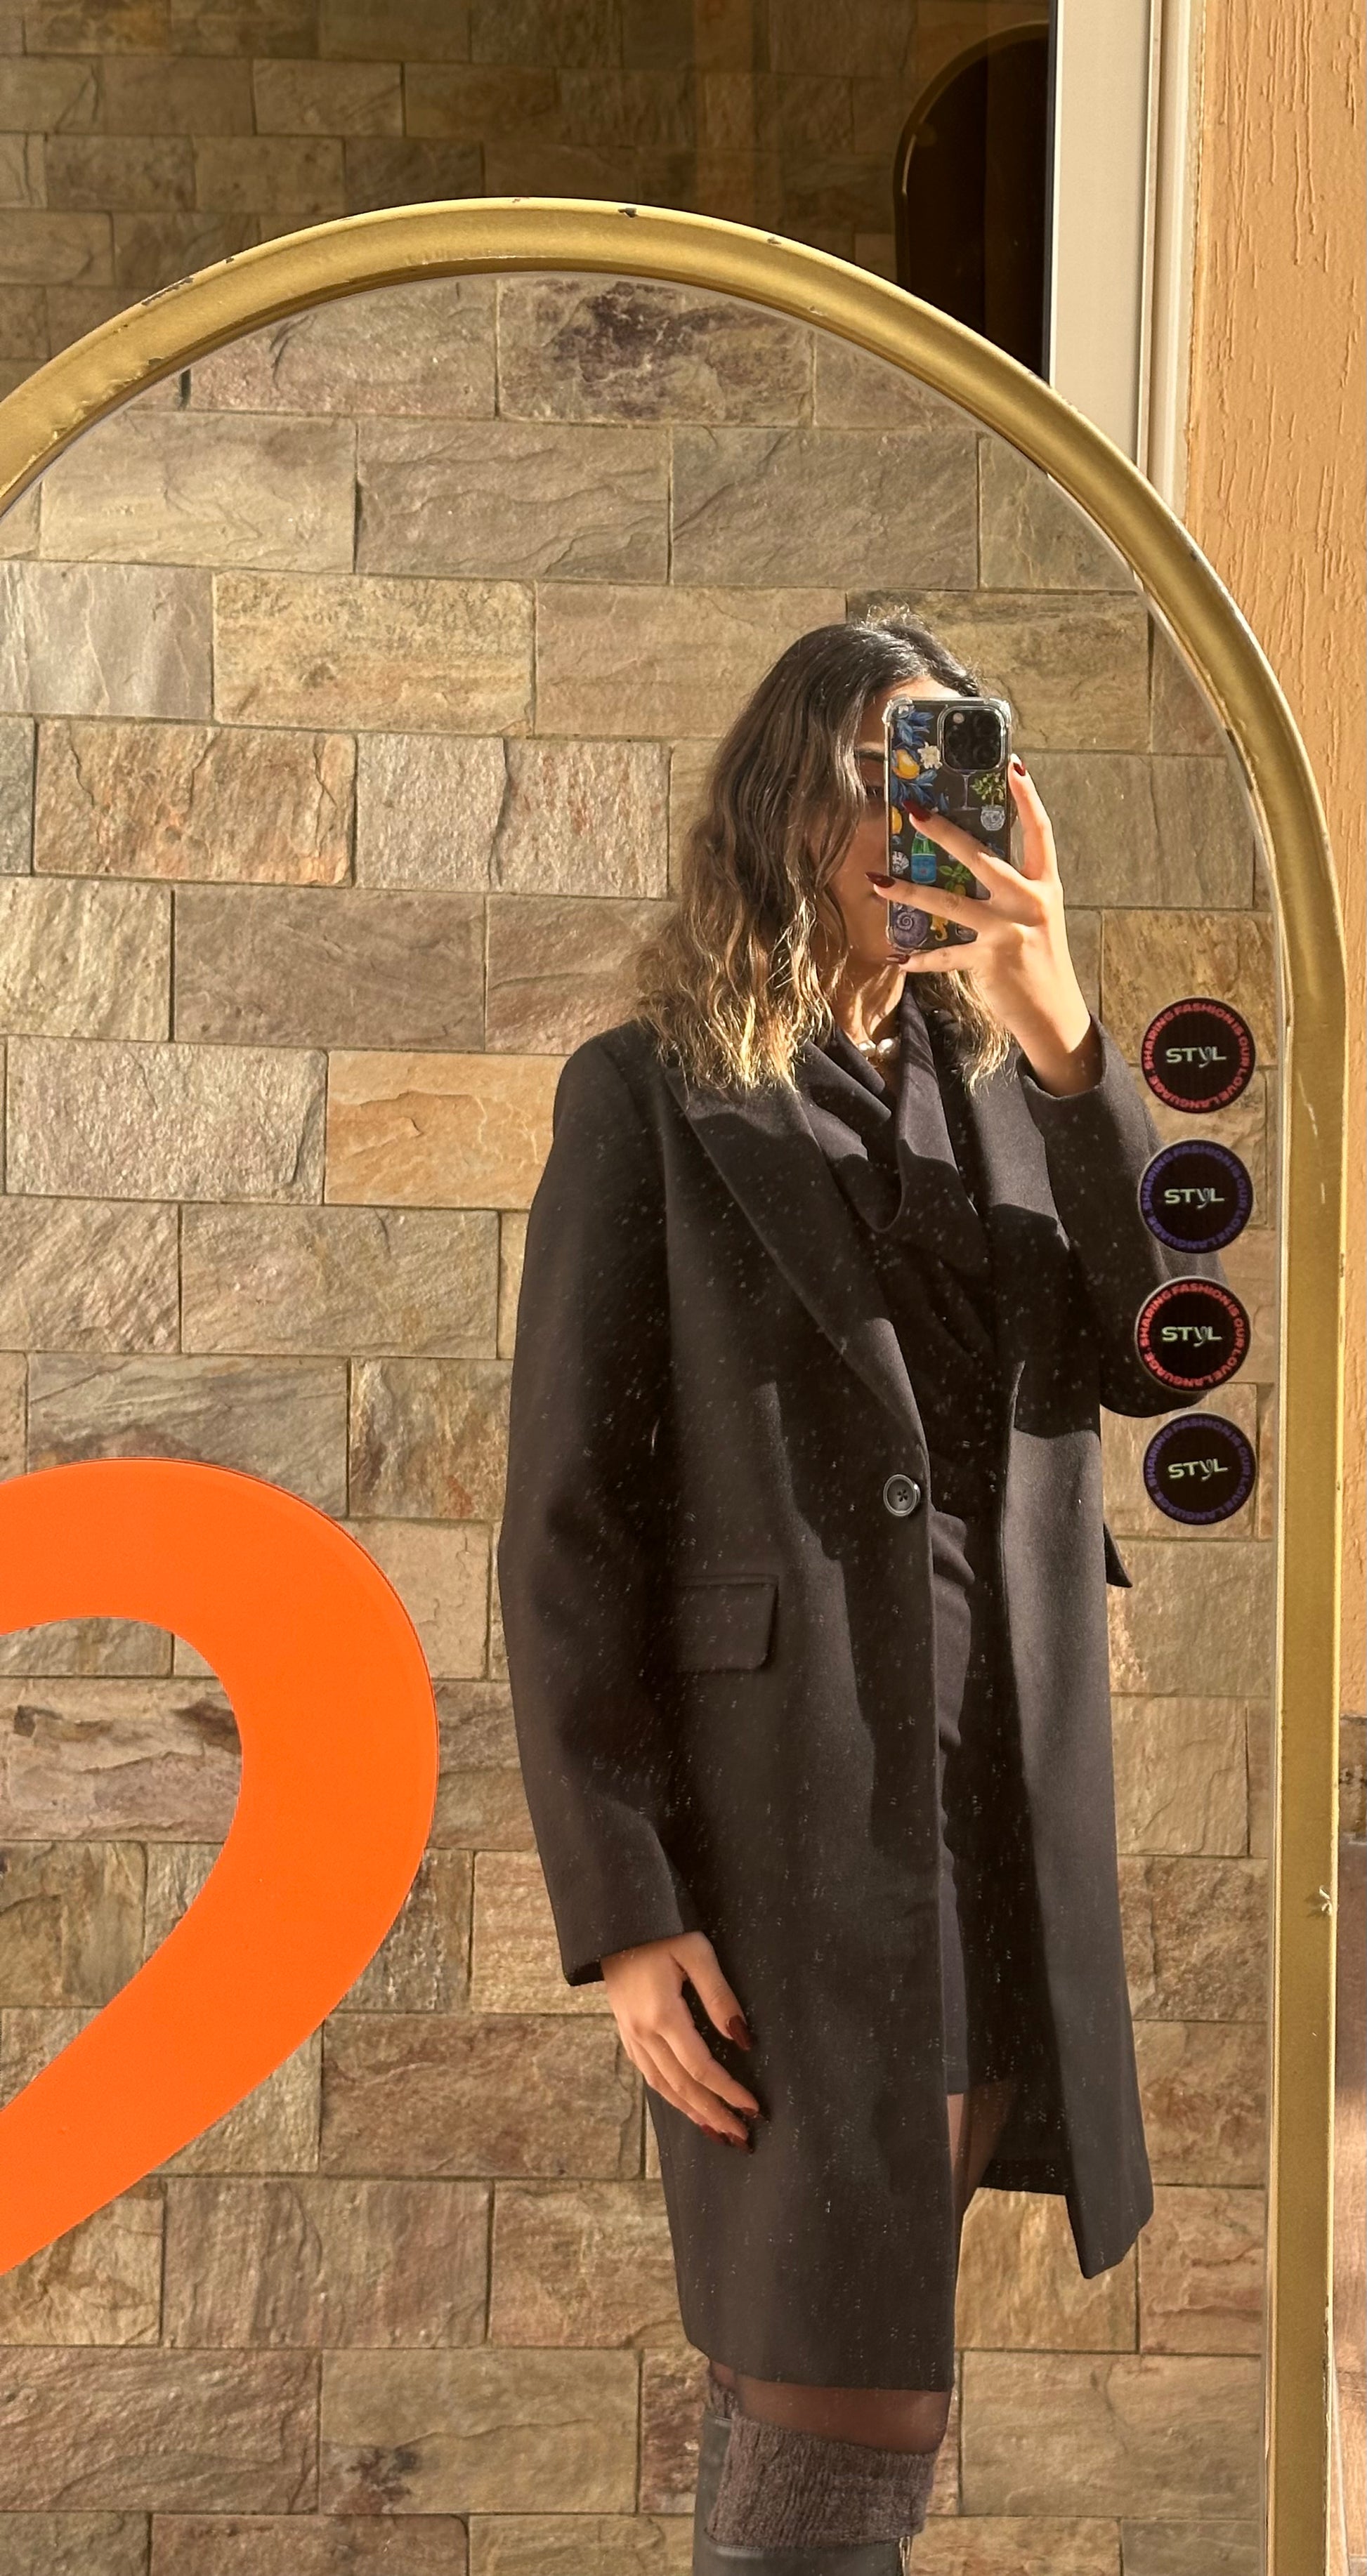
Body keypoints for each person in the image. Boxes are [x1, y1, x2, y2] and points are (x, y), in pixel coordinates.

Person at [495, 612, 1226, 2572]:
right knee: (841, 2376)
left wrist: (1068, 1030)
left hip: (988, 1817)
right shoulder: (647, 1098)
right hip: (783, 1844)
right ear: (789, 806)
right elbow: (567, 1526)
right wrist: (625, 1910)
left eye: (952, 780)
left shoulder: (1009, 1089)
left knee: (831, 2369)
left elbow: (1155, 1352)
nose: (926, 827)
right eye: (888, 782)